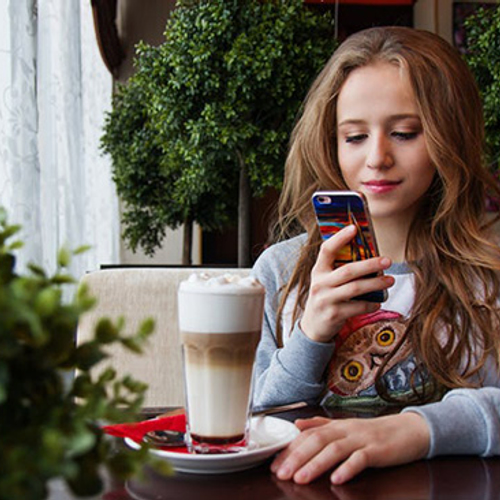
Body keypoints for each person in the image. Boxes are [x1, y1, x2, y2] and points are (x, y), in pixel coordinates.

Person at [251, 26, 500, 485]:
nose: (378, 157)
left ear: (451, 137)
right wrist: (311, 334)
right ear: (330, 142)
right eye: (355, 137)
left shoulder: (487, 271)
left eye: (405, 133)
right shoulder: (280, 271)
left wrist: (415, 429)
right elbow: (253, 419)